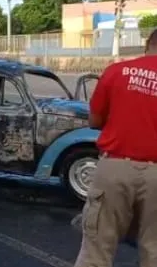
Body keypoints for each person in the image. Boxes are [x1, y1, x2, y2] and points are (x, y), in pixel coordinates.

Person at [73, 28, 157, 267]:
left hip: (115, 168)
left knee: (97, 249)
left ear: (147, 45)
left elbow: (95, 121)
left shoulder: (117, 71)